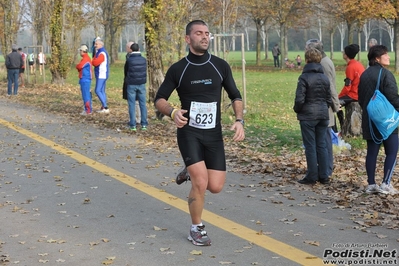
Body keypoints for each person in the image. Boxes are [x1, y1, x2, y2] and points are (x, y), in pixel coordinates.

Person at [154, 20, 245, 246]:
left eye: (207, 33)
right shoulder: (178, 69)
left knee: (215, 186)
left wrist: (239, 120)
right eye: (199, 33)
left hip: (213, 134)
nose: (204, 37)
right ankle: (196, 228)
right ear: (188, 39)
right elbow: (159, 99)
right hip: (189, 133)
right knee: (201, 182)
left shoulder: (220, 66)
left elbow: (236, 95)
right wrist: (173, 112)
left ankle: (191, 169)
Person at [358, 45, 399, 195]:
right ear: (377, 58)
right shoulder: (386, 74)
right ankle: (386, 183)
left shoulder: (364, 74)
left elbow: (360, 97)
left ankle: (371, 184)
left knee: (372, 152)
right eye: (385, 55)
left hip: (370, 119)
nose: (388, 57)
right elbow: (393, 97)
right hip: (387, 120)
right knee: (392, 151)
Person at [294, 48, 332, 185]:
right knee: (322, 145)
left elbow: (299, 99)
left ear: (306, 60)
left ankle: (312, 175)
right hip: (323, 114)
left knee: (310, 146)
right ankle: (324, 175)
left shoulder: (304, 77)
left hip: (308, 115)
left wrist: (297, 110)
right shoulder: (324, 77)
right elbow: (328, 98)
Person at [305, 39, 340, 178]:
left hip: (324, 108)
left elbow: (329, 86)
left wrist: (336, 106)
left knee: (324, 141)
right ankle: (324, 169)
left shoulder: (323, 64)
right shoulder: (325, 61)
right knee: (323, 140)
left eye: (307, 48)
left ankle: (326, 170)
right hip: (323, 107)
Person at [337, 44, 365, 131]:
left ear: (346, 55)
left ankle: (343, 126)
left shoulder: (350, 67)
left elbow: (347, 87)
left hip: (353, 95)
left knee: (336, 104)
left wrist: (338, 97)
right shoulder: (359, 64)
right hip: (360, 94)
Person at [125, 43, 148, 131]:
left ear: (131, 49)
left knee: (132, 104)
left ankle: (133, 125)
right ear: (138, 49)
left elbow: (126, 71)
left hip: (131, 84)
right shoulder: (143, 59)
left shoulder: (129, 60)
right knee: (142, 104)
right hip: (141, 83)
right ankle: (144, 124)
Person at [123, 41, 141, 124]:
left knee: (134, 102)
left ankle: (136, 118)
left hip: (132, 82)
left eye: (128, 47)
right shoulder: (140, 58)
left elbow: (127, 71)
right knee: (134, 102)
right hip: (136, 81)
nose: (127, 49)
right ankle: (135, 118)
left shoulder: (130, 59)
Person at [92, 39, 110, 113]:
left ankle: (105, 107)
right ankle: (103, 107)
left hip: (101, 74)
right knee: (102, 90)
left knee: (97, 90)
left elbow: (95, 62)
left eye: (96, 44)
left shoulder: (102, 53)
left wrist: (93, 60)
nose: (95, 45)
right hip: (102, 74)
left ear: (100, 45)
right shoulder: (99, 52)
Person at [76, 44, 93, 115]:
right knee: (87, 94)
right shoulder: (86, 58)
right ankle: (88, 109)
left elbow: (79, 66)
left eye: (80, 51)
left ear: (83, 51)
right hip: (85, 78)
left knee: (85, 95)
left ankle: (88, 110)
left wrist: (77, 66)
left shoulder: (85, 59)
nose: (79, 52)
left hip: (85, 79)